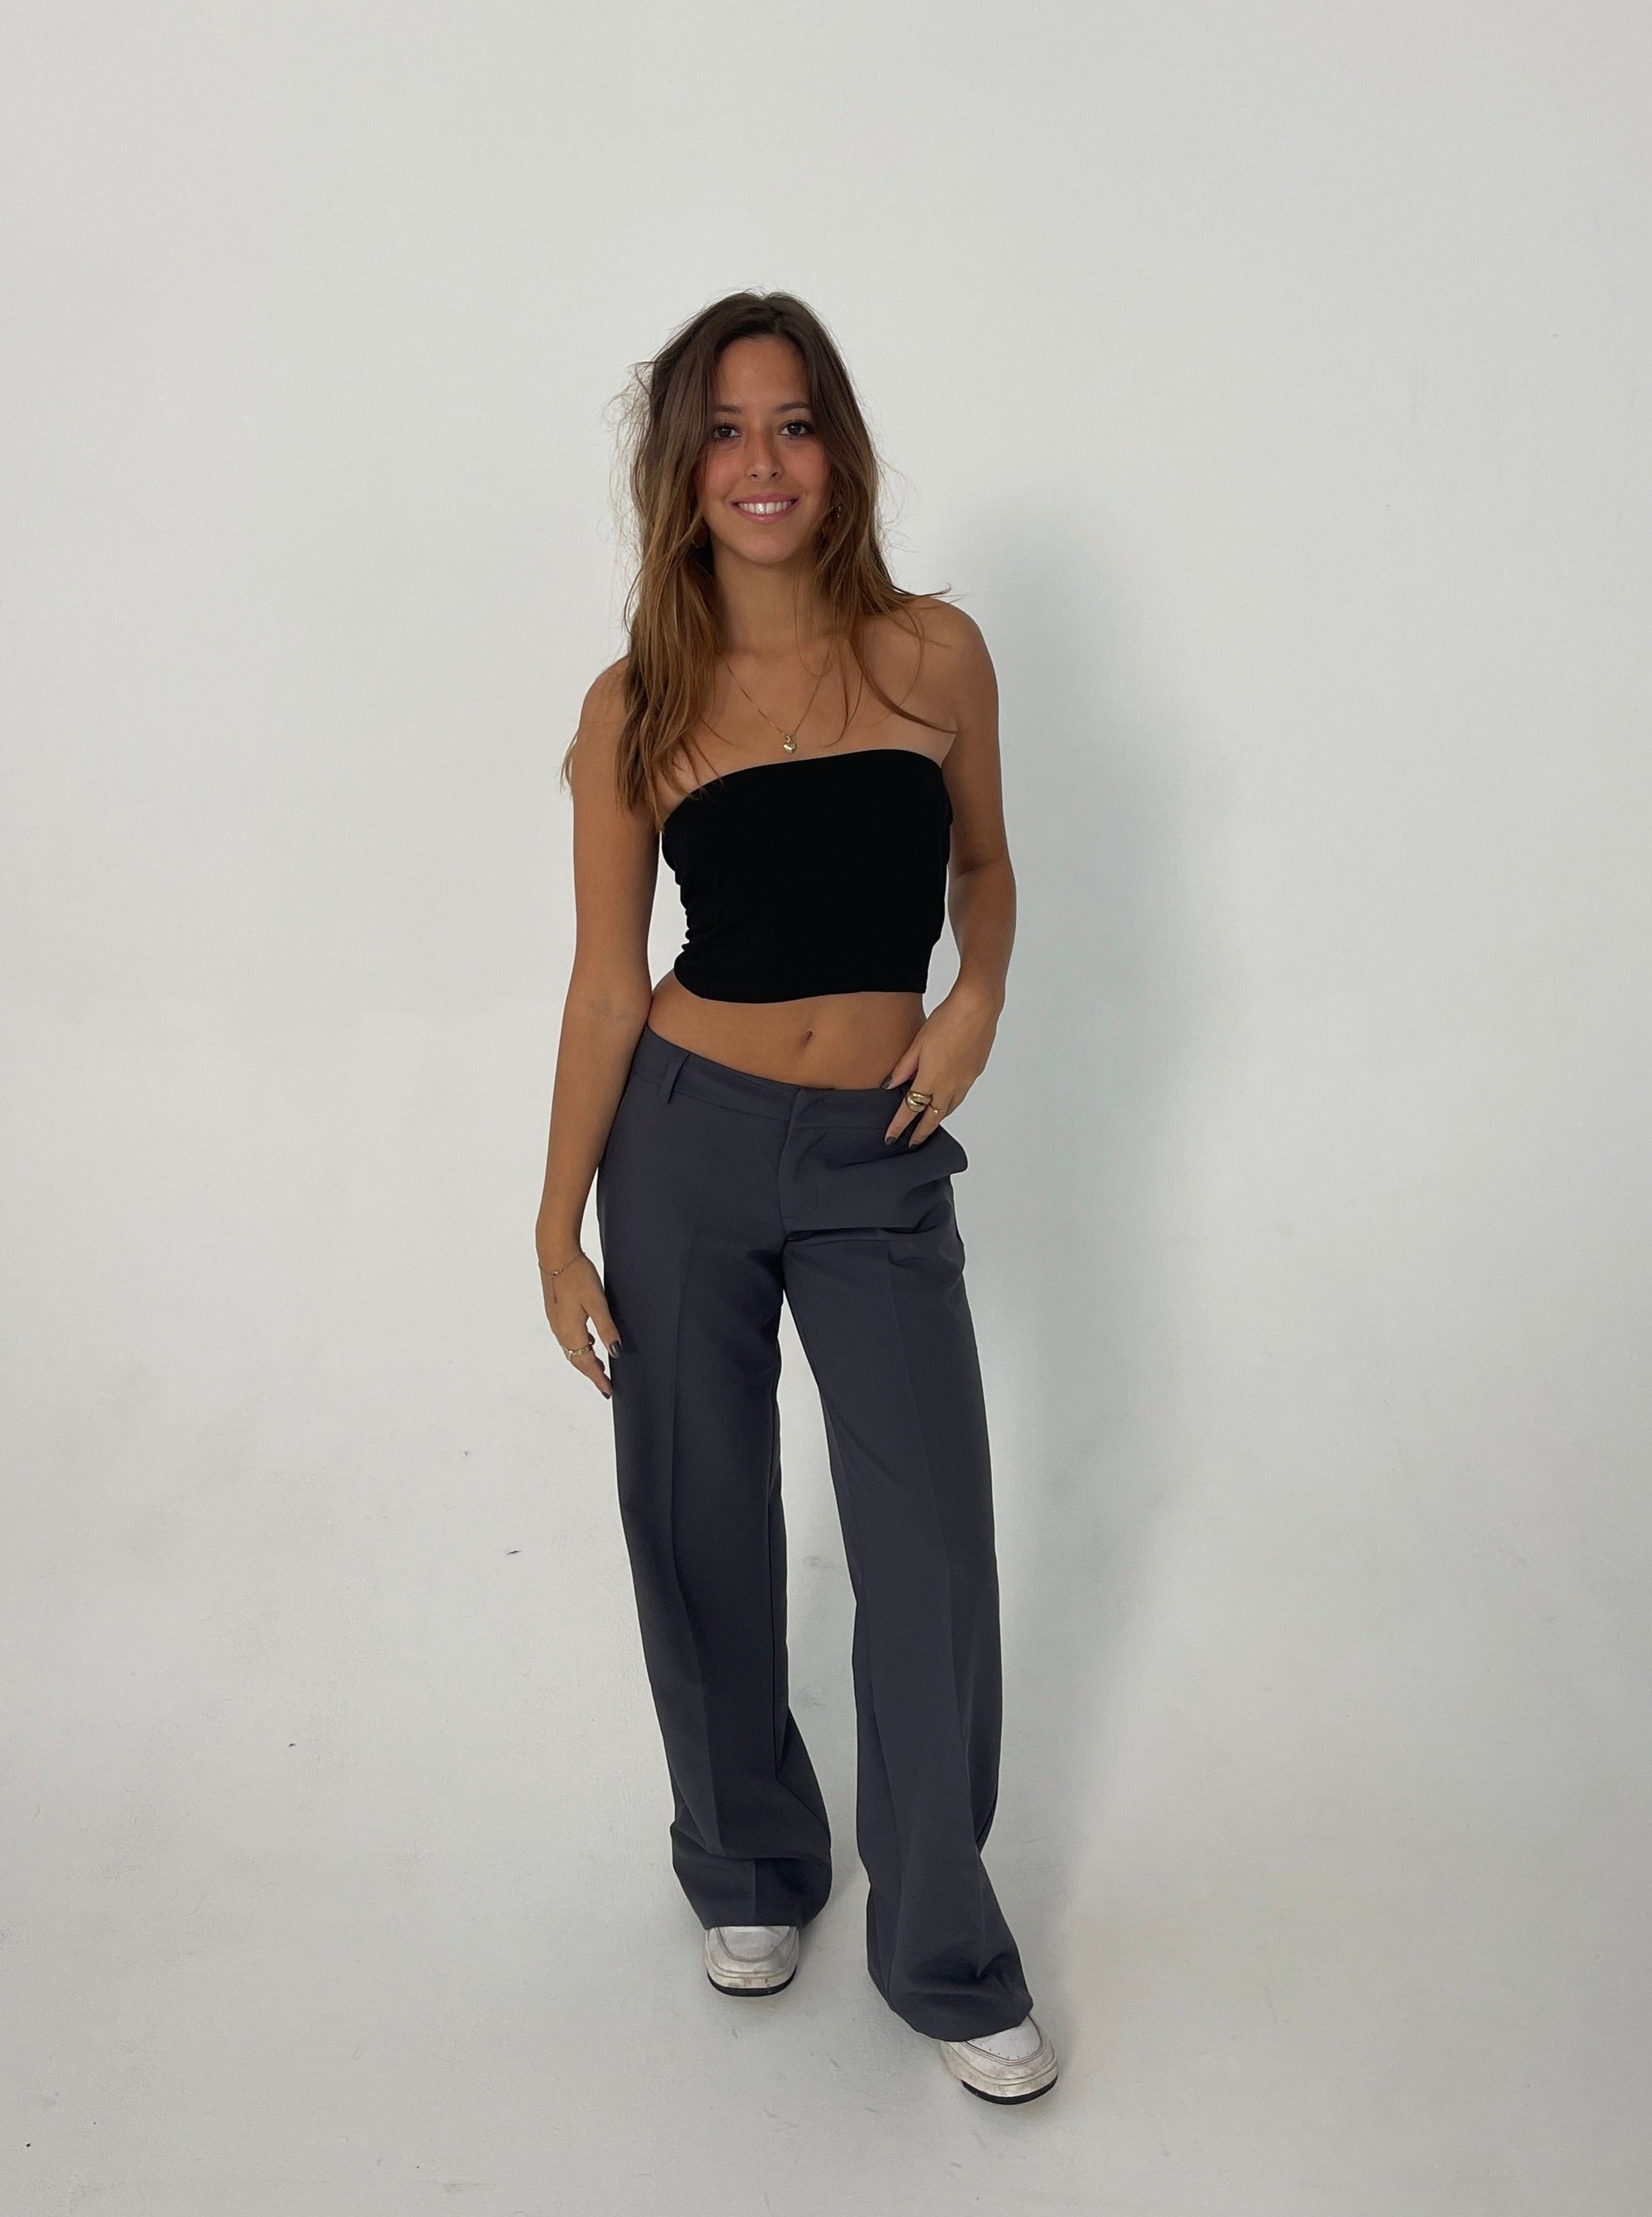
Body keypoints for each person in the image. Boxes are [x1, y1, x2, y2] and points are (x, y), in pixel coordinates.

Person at [534, 289, 1057, 2105]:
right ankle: (748, 1865)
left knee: (930, 1555)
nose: (762, 463)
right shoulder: (636, 704)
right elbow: (605, 983)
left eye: (793, 423)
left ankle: (943, 1950)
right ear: (679, 472)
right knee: (698, 1522)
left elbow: (985, 868)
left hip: (877, 1150)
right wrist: (553, 1223)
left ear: (838, 448)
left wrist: (978, 998)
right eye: (724, 432)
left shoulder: (933, 654)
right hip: (680, 1143)